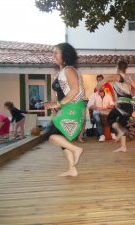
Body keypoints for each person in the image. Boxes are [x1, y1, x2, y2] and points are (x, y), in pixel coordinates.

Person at [45, 42, 86, 177]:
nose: (54, 55)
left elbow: (75, 90)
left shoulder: (69, 70)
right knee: (61, 138)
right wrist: (55, 104)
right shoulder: (63, 71)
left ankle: (76, 149)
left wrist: (57, 104)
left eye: (56, 52)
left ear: (65, 55)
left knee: (50, 136)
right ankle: (72, 169)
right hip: (68, 107)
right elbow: (65, 92)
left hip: (72, 107)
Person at [98, 59, 135, 152]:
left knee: (110, 119)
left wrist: (99, 85)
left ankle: (120, 132)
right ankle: (123, 147)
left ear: (118, 67)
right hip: (128, 106)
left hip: (122, 106)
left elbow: (108, 78)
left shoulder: (119, 76)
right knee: (122, 125)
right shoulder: (128, 77)